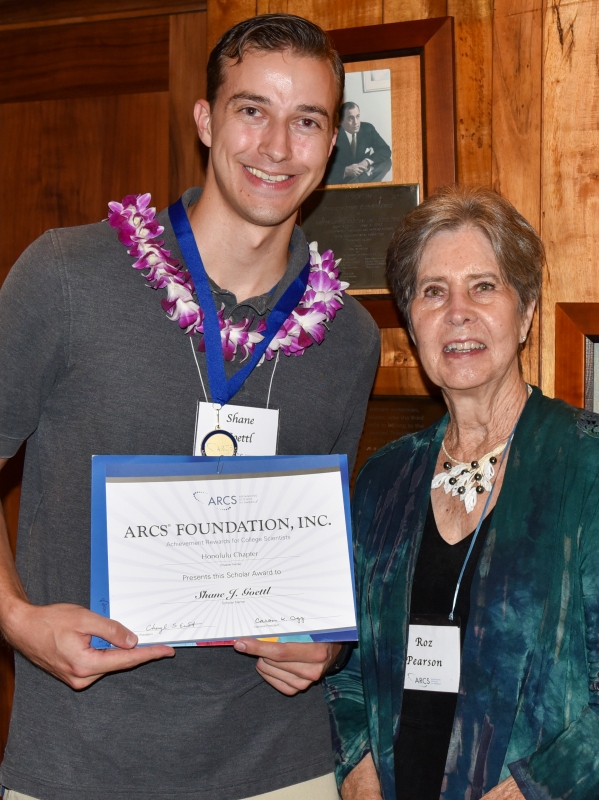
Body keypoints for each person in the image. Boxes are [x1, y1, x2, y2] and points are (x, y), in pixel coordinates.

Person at [0, 14, 380, 800]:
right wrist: (15, 619)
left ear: (330, 144)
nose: (276, 146)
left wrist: (327, 648)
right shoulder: (67, 275)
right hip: (80, 765)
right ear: (205, 120)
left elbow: (324, 537)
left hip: (284, 768)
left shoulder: (349, 337)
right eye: (252, 110)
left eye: (305, 121)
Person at [324, 185, 599, 800]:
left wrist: (533, 791)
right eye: (433, 291)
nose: (458, 313)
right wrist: (360, 774)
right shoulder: (383, 480)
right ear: (411, 322)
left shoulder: (587, 464)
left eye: (483, 286)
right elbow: (345, 667)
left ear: (525, 313)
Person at [325, 102, 392, 185]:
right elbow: (325, 165)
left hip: (363, 174)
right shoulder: (333, 135)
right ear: (341, 121)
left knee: (387, 162)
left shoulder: (367, 129)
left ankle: (369, 186)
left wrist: (367, 162)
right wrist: (345, 171)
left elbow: (385, 150)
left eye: (357, 116)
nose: (356, 122)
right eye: (351, 118)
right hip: (344, 179)